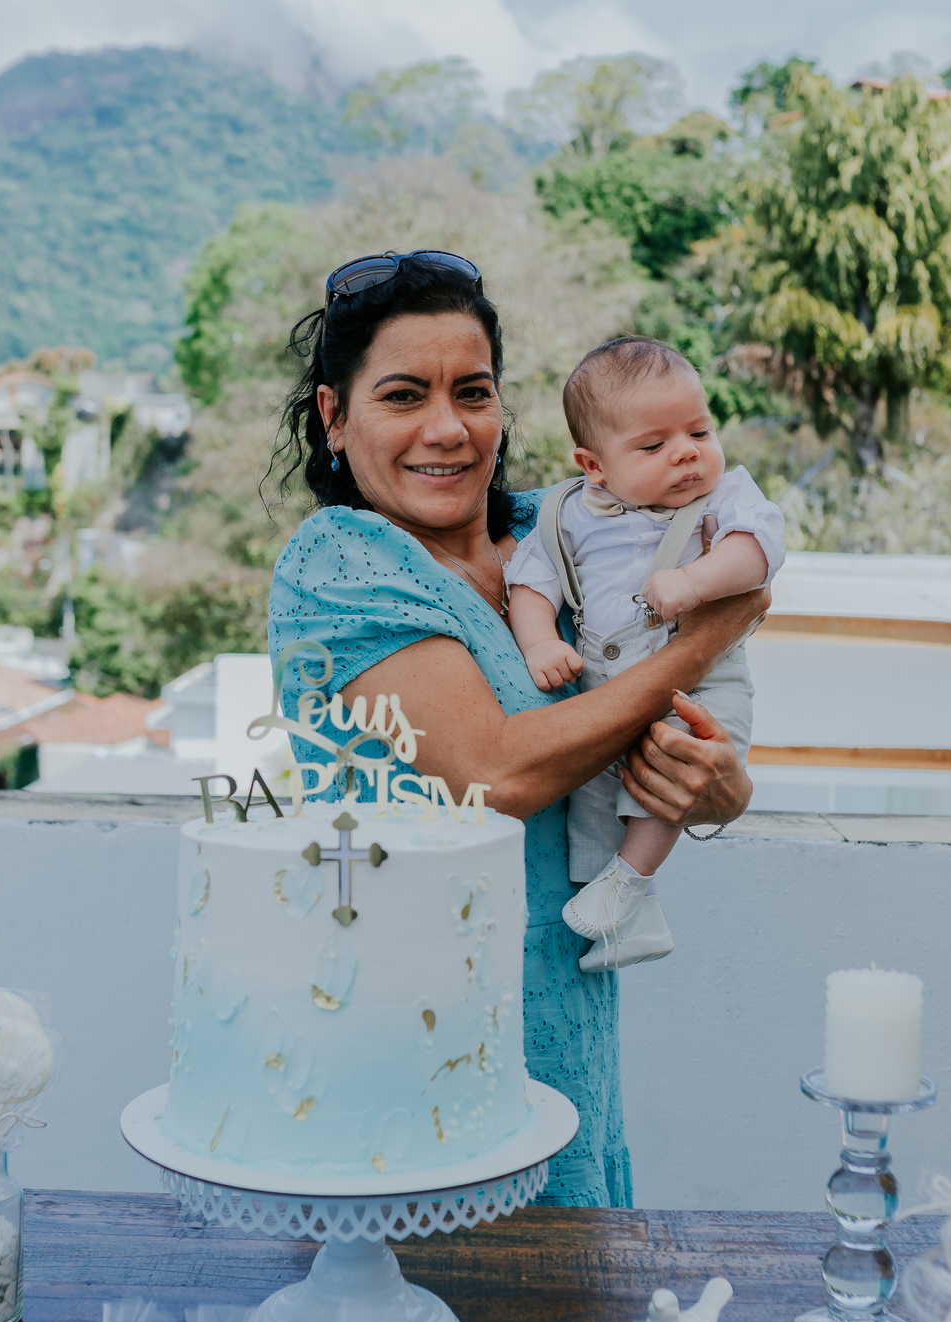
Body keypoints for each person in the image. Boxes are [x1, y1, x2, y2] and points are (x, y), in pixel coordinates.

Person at [266, 251, 768, 1207]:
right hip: (415, 1028)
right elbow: (493, 773)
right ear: (335, 416)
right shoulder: (341, 562)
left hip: (567, 1010)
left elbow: (682, 689)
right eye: (405, 395)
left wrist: (719, 787)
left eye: (475, 392)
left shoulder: (567, 530)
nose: (449, 429)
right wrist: (711, 629)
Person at [505, 336, 785, 973]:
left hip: (704, 682)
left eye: (700, 431)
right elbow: (532, 581)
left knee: (668, 777)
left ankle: (629, 882)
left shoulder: (725, 498)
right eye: (654, 446)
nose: (687, 453)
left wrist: (694, 583)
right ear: (593, 464)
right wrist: (541, 641)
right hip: (604, 683)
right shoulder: (567, 513)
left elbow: (760, 554)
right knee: (597, 799)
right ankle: (632, 913)